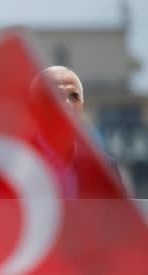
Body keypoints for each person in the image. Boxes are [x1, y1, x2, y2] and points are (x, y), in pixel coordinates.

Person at [30, 65, 125, 197]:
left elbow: (120, 217)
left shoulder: (103, 169)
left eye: (74, 97)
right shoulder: (9, 166)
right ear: (34, 107)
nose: (67, 104)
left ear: (82, 106)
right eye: (54, 95)